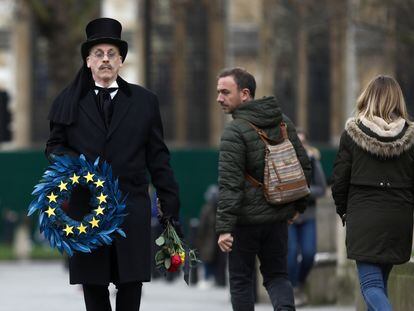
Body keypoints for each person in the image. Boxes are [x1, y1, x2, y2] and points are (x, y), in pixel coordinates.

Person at [45, 18, 180, 311]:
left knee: (130, 284)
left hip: (131, 206)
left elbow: (158, 156)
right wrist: (78, 166)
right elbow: (54, 147)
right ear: (88, 61)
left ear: (121, 61)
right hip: (86, 208)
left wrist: (170, 202)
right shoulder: (67, 101)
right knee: (93, 286)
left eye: (111, 54)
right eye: (98, 54)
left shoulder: (146, 102)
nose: (105, 59)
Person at [215, 67, 311, 311]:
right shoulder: (283, 122)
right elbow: (303, 166)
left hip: (244, 222)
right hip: (278, 218)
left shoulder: (234, 132)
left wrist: (225, 228)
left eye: (225, 92)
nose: (219, 98)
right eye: (218, 93)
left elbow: (230, 184)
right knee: (277, 276)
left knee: (240, 280)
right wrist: (296, 208)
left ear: (245, 94)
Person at [332, 75, 414, 311]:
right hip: (398, 217)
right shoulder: (410, 136)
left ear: (368, 98)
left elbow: (339, 179)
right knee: (380, 285)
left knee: (370, 285)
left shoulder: (352, 133)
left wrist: (343, 210)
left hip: (363, 216)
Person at [287, 129, 326, 306]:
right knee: (291, 253)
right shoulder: (283, 161)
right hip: (289, 217)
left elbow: (322, 189)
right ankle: (294, 287)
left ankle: (300, 282)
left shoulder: (312, 161)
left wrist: (305, 193)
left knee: (310, 253)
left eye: (302, 142)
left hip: (308, 215)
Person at [196, 184, 226, 288]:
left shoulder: (215, 209)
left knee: (214, 260)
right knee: (208, 260)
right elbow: (202, 228)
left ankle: (216, 279)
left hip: (216, 240)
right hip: (210, 240)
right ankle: (209, 278)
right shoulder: (208, 209)